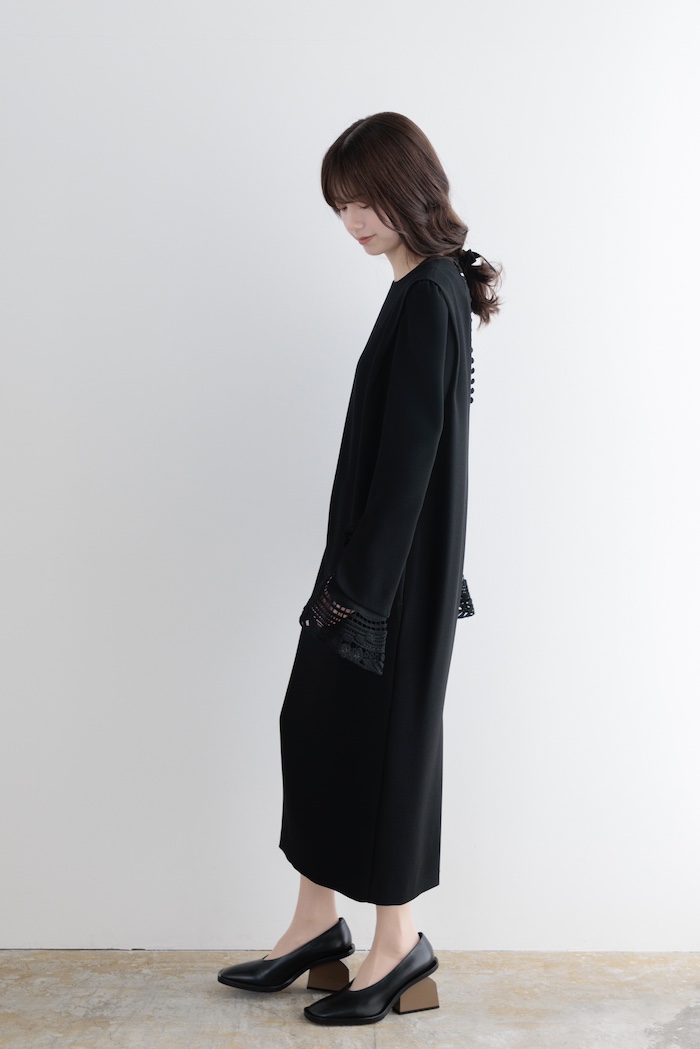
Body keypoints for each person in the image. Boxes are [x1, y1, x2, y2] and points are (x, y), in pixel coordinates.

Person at [218, 112, 502, 1026]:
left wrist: (360, 596)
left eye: (365, 200)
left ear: (407, 189)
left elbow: (413, 457)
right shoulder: (421, 288)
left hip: (388, 580)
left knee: (388, 748)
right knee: (317, 726)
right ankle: (316, 923)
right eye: (340, 206)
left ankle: (398, 944)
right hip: (379, 569)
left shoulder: (429, 294)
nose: (352, 221)